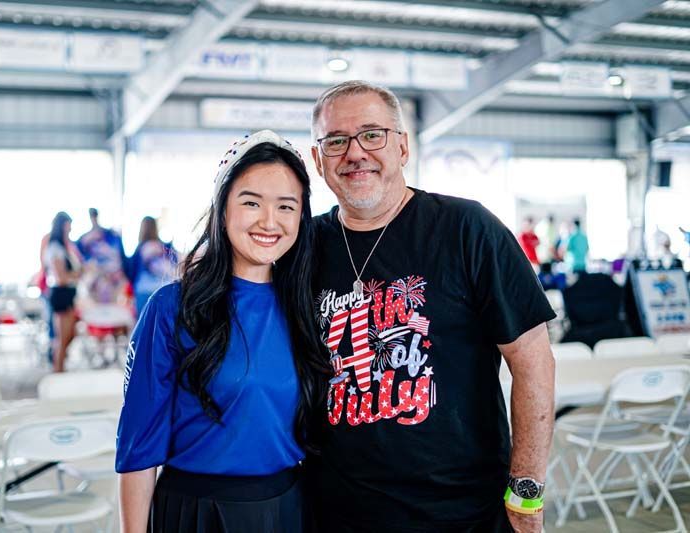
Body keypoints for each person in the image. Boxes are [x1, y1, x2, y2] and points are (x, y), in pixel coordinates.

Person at [308, 80, 556, 533]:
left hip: (462, 514)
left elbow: (534, 361)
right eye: (336, 140)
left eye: (372, 134)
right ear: (317, 159)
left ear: (402, 147)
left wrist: (525, 493)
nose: (355, 152)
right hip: (336, 512)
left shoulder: (467, 229)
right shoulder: (303, 246)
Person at [116, 131, 327, 533]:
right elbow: (138, 447)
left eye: (286, 206)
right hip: (196, 512)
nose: (269, 221)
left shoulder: (306, 308)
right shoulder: (172, 308)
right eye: (251, 203)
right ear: (222, 207)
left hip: (288, 509)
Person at [44, 212, 82, 372]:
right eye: (68, 225)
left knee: (70, 334)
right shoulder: (55, 248)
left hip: (68, 294)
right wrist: (78, 274)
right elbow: (61, 277)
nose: (70, 228)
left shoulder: (65, 247)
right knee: (62, 337)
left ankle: (60, 367)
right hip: (61, 294)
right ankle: (58, 371)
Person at [127, 216, 179, 317]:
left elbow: (131, 271)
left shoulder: (140, 249)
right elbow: (175, 266)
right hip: (163, 292)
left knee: (143, 327)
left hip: (143, 291)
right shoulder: (165, 246)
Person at [76, 207, 128, 304]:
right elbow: (79, 260)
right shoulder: (84, 239)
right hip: (95, 278)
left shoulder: (112, 235)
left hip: (112, 276)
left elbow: (121, 258)